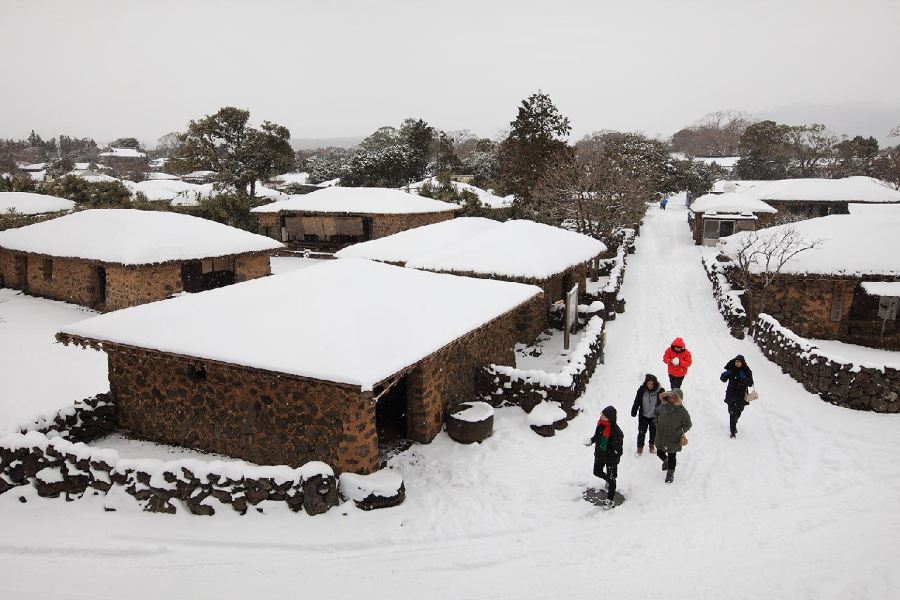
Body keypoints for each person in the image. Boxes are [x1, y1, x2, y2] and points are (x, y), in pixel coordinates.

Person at [587, 406, 624, 507]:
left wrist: (608, 453)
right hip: (599, 455)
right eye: (602, 414)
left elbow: (617, 450)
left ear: (609, 418)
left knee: (612, 478)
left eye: (604, 415)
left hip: (611, 459)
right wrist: (591, 440)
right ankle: (607, 479)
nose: (601, 416)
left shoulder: (616, 432)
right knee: (596, 472)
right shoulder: (600, 424)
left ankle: (610, 499)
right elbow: (597, 437)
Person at [654, 389, 692, 484]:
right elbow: (656, 413)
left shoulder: (682, 412)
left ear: (678, 398)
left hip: (673, 438)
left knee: (672, 456)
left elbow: (688, 424)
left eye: (674, 397)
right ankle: (665, 460)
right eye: (670, 396)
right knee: (659, 452)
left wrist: (679, 431)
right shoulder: (663, 405)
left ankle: (670, 474)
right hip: (661, 435)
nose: (671, 398)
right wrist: (656, 423)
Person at [721, 354, 754, 438]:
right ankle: (732, 430)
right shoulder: (731, 369)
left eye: (739, 362)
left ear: (742, 363)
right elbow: (723, 380)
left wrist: (744, 378)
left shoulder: (746, 371)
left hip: (741, 396)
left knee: (738, 412)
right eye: (736, 361)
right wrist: (724, 375)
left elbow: (750, 383)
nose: (737, 363)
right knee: (732, 412)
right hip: (731, 394)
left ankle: (734, 422)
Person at [630, 373, 665, 455]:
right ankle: (639, 448)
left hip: (654, 416)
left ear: (655, 384)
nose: (650, 386)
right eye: (648, 384)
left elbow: (665, 404)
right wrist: (634, 410)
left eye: (652, 384)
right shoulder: (642, 390)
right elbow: (637, 400)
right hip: (643, 415)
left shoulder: (660, 391)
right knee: (641, 432)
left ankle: (651, 446)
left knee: (653, 432)